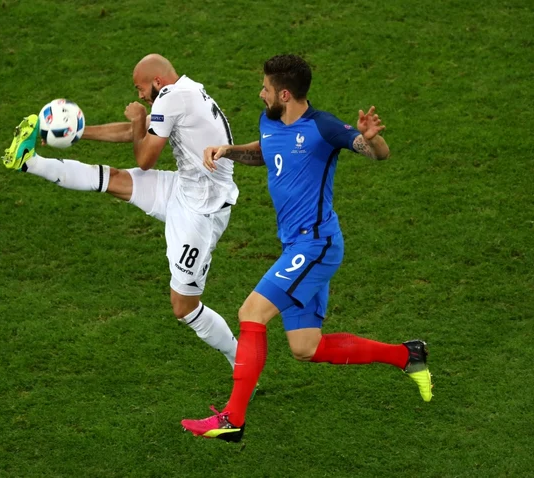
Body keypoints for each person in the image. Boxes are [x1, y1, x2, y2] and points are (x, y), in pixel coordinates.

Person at [181, 54, 433, 442]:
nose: (260, 93)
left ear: (284, 93)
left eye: (265, 88)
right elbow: (269, 152)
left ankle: (233, 419)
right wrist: (228, 150)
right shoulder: (270, 120)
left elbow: (377, 154)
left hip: (316, 244)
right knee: (305, 347)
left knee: (251, 312)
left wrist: (372, 139)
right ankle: (407, 355)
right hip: (297, 245)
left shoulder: (324, 127)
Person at [2, 54, 240, 370]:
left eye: (140, 88)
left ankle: (240, 359)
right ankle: (27, 161)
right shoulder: (183, 92)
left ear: (157, 82)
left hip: (201, 212)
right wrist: (74, 130)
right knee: (112, 179)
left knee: (183, 307)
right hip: (186, 189)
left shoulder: (172, 98)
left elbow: (144, 159)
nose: (139, 95)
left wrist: (140, 118)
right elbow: (134, 133)